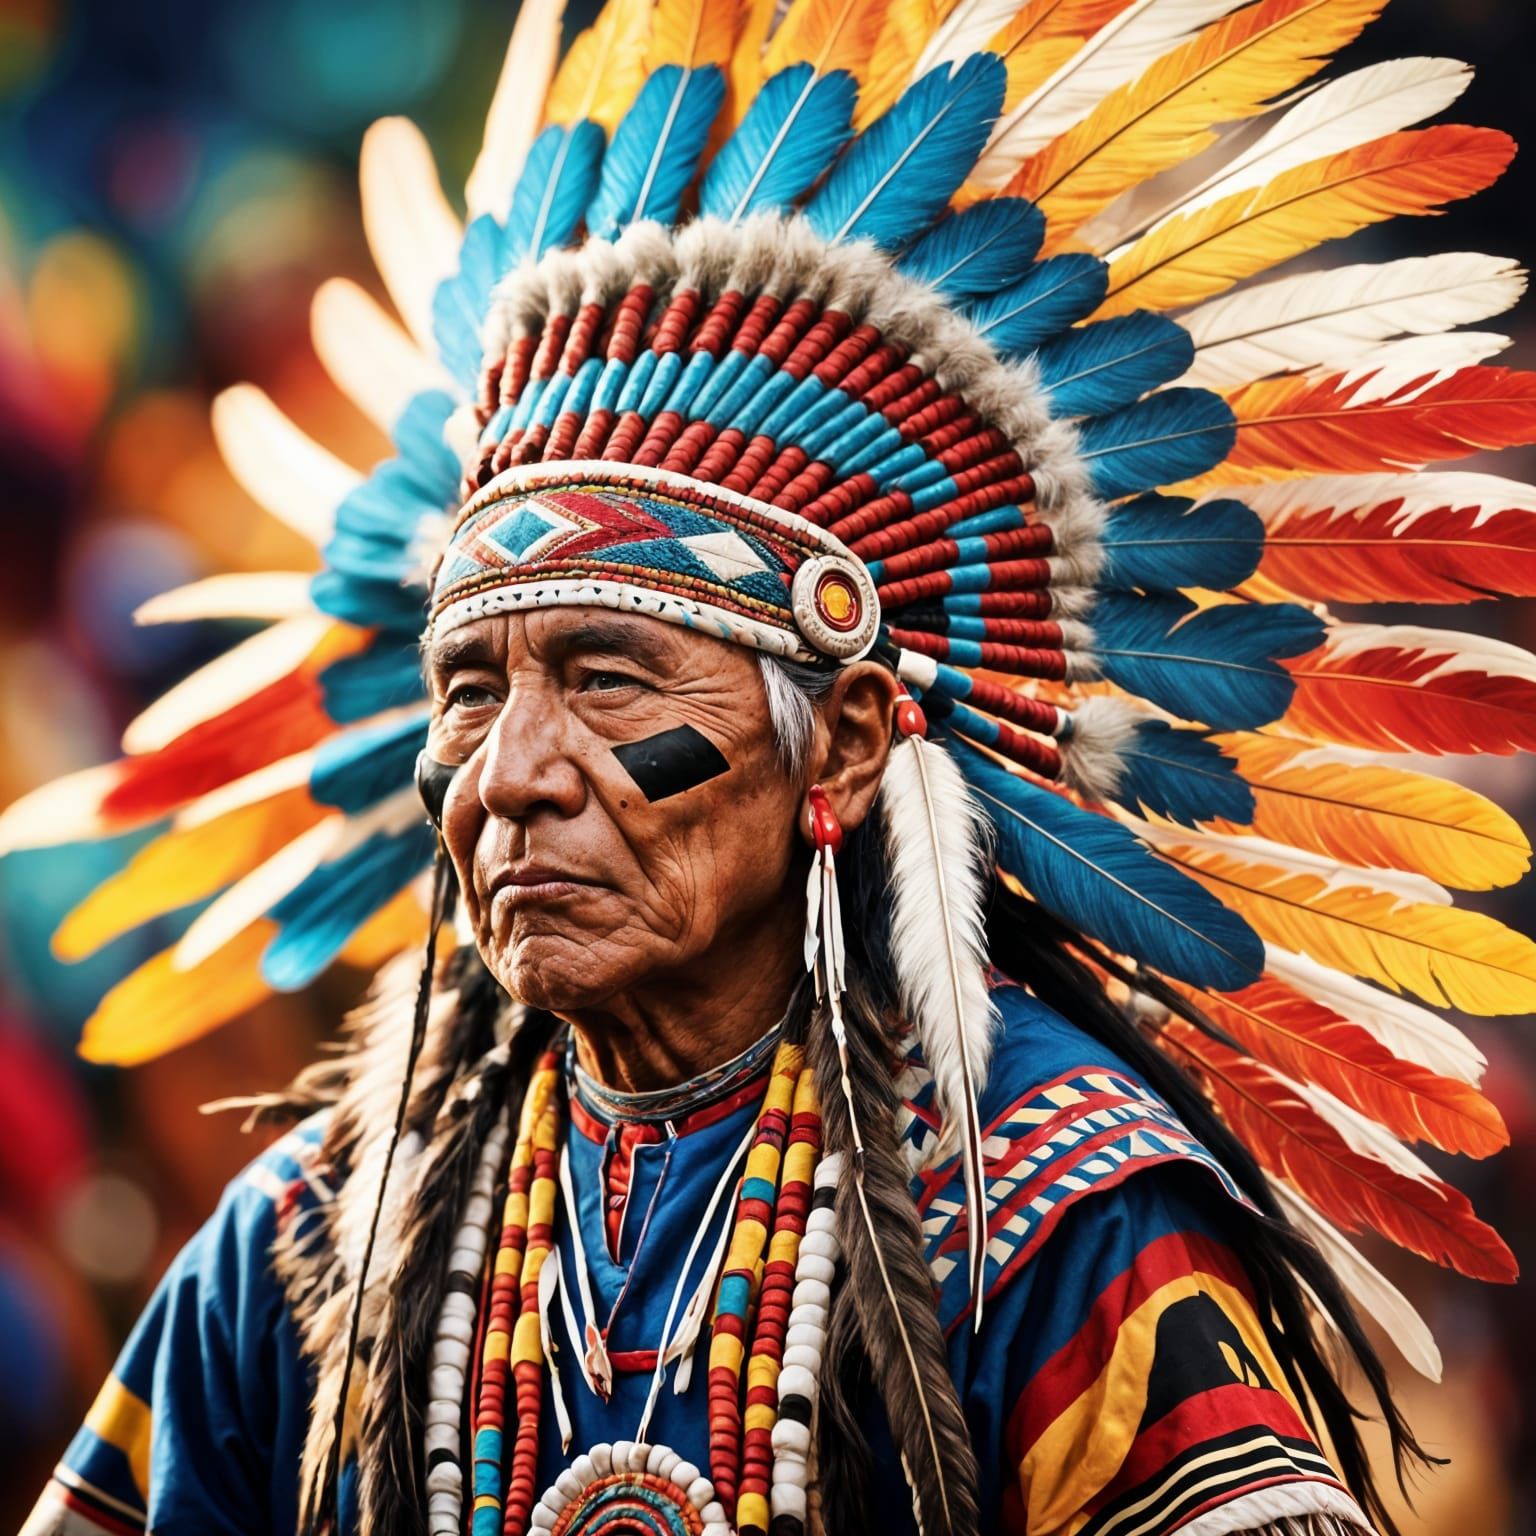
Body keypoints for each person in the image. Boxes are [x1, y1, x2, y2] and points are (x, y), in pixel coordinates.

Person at [16, 0, 1532, 1531]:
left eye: (608, 678)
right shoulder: (306, 1251)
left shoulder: (1045, 1215)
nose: (511, 774)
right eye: (470, 691)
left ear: (849, 746)